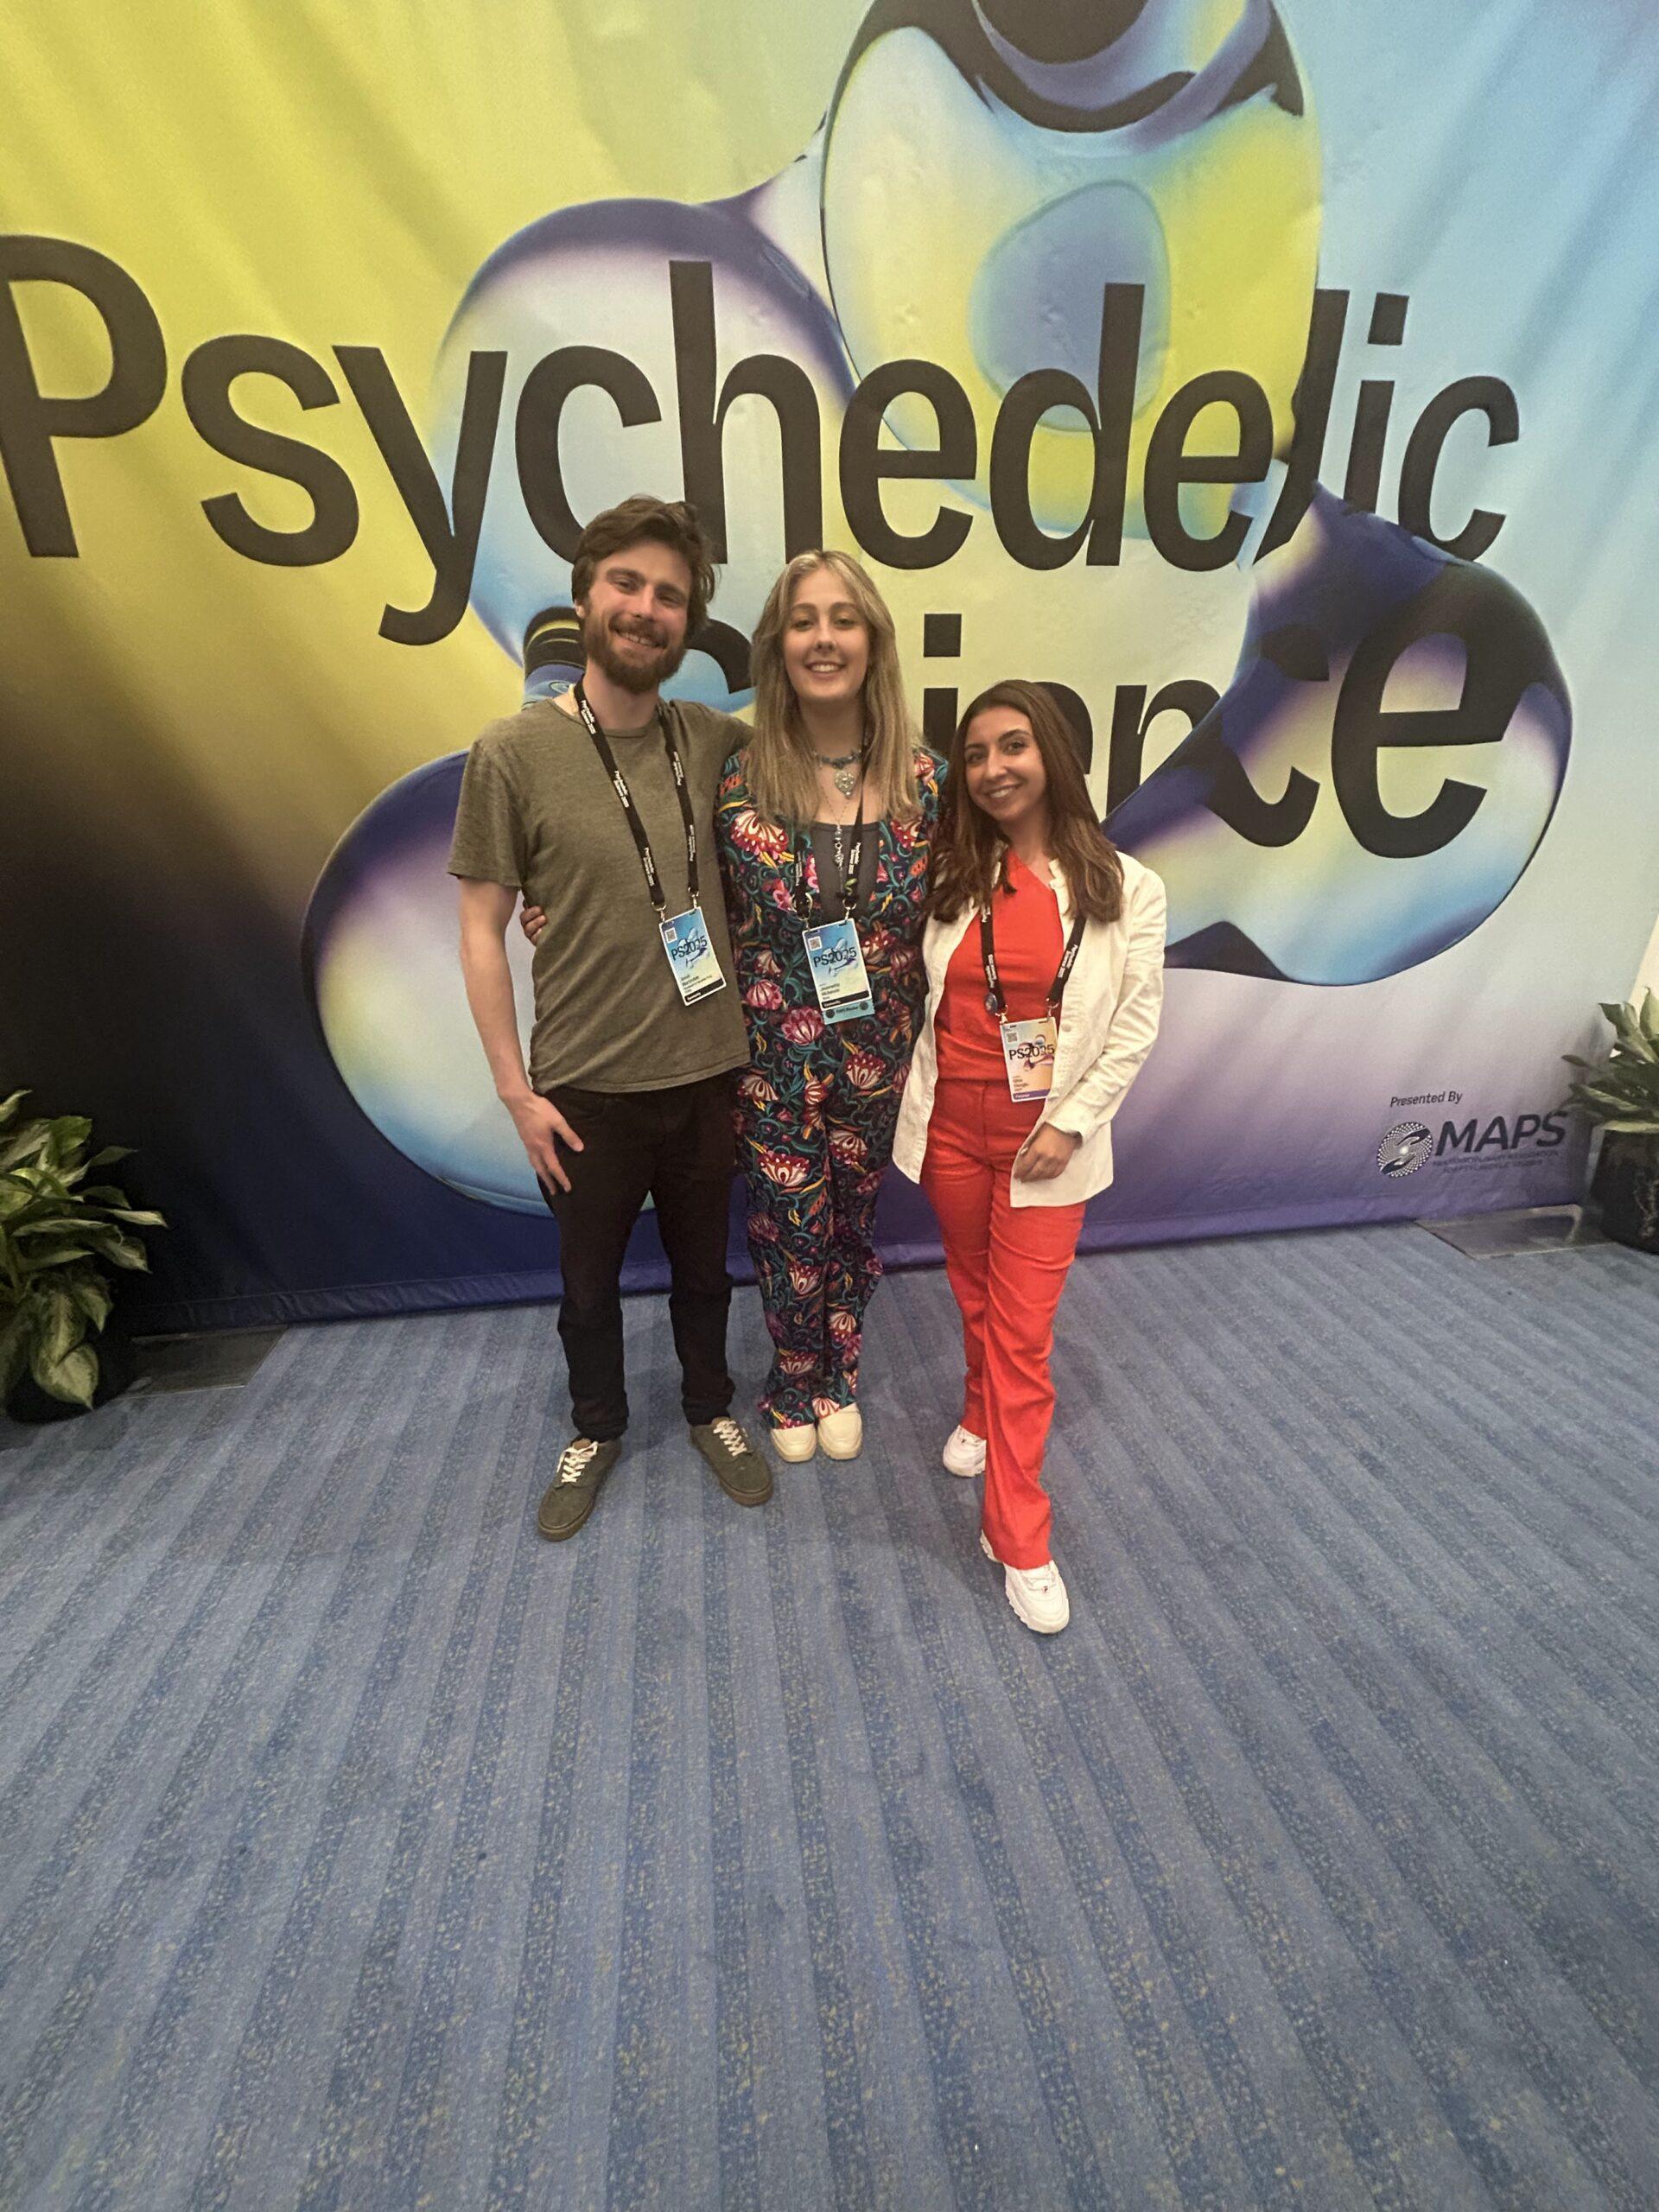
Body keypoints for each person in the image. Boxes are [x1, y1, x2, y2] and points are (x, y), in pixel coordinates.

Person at [449, 494, 772, 1541]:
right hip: (583, 1086)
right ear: (585, 596)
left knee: (705, 1272)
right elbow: (481, 929)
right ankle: (596, 1425)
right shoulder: (511, 753)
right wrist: (515, 1092)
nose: (646, 608)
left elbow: (825, 774)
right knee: (586, 1288)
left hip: (707, 1069)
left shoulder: (715, 742)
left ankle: (709, 1406)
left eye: (669, 595)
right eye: (626, 584)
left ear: (689, 624)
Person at [892, 681, 1166, 1633]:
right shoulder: (952, 874)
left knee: (1023, 1337)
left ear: (1051, 752)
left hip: (1047, 1143)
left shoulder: (1127, 887)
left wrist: (1072, 1123)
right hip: (951, 1130)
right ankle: (977, 1408)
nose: (993, 768)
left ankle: (1018, 1535)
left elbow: (1133, 1026)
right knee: (974, 1294)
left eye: (1012, 746)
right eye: (975, 755)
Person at [715, 551, 942, 1461]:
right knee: (785, 1221)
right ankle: (790, 1377)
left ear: (873, 639)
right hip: (769, 1054)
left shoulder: (927, 783)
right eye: (803, 620)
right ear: (779, 645)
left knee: (852, 1218)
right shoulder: (737, 778)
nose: (824, 638)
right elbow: (665, 889)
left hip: (879, 1048)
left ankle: (837, 1372)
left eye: (843, 619)